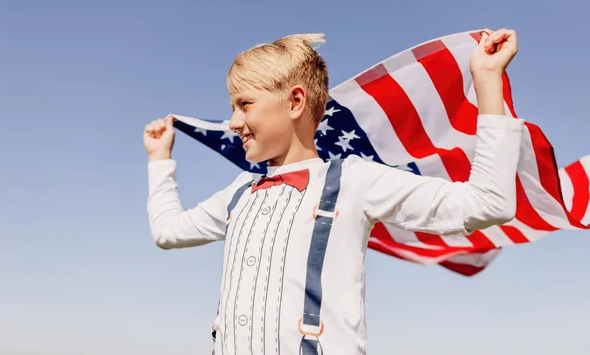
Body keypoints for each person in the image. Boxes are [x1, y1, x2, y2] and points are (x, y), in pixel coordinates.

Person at [143, 29, 522, 355]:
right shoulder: (239, 192)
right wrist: (160, 160)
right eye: (232, 107)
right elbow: (167, 232)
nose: (233, 121)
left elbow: (488, 203)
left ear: (295, 101)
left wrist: (486, 79)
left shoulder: (354, 181)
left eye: (244, 105)